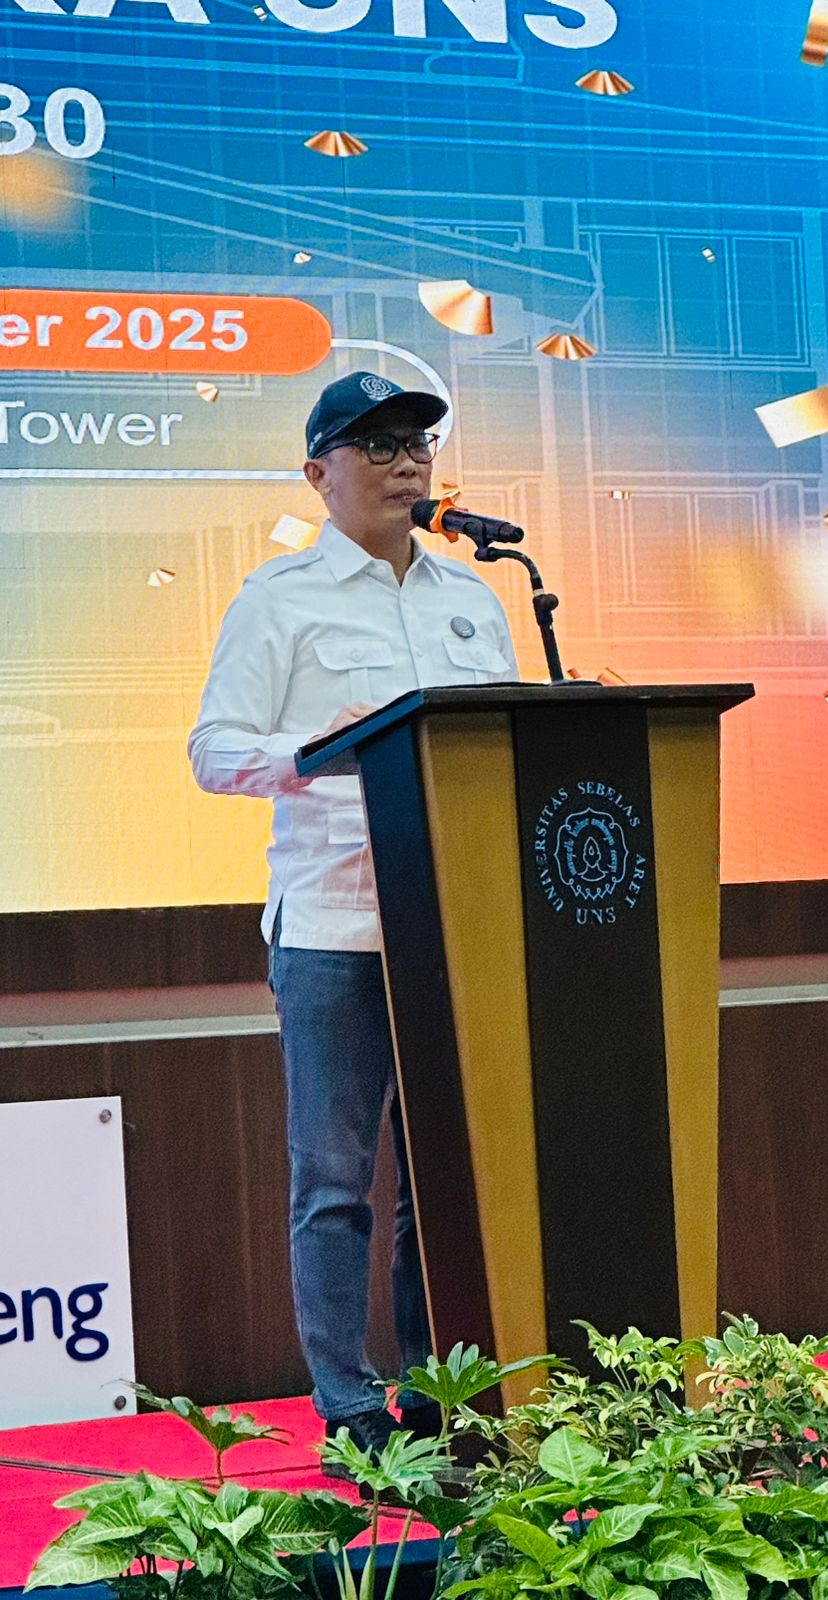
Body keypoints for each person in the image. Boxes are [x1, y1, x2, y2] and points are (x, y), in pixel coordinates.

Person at [189, 369, 518, 1461]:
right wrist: (327, 754)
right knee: (334, 1183)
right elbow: (213, 751)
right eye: (375, 445)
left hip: (455, 924)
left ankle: (438, 1390)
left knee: (442, 1182)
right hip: (334, 926)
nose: (405, 462)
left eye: (417, 442)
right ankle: (347, 1403)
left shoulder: (475, 598)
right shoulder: (278, 598)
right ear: (317, 473)